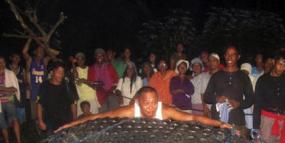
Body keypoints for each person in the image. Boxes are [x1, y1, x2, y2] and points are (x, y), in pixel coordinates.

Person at [57, 86, 232, 131]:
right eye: (146, 103)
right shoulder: (131, 110)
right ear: (139, 102)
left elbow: (194, 118)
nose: (150, 107)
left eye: (154, 102)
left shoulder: (164, 111)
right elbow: (99, 116)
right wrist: (71, 124)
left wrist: (218, 123)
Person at [203, 46, 254, 135]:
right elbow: (206, 96)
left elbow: (250, 98)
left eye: (233, 55)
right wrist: (217, 98)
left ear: (238, 57)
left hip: (237, 121)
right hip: (217, 122)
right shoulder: (216, 76)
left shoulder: (243, 77)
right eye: (227, 54)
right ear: (224, 56)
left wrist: (239, 104)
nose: (229, 57)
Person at [37, 62, 77, 134]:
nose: (61, 75)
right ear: (52, 72)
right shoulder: (45, 85)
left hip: (66, 121)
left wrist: (75, 120)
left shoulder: (67, 85)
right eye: (59, 72)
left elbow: (73, 103)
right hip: (50, 121)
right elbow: (39, 103)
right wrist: (40, 121)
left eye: (62, 72)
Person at [0, 56, 24, 143]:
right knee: (2, 124)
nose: (0, 64)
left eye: (2, 62)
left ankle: (19, 142)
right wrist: (7, 89)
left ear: (5, 63)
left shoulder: (10, 73)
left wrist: (2, 89)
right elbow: (10, 89)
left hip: (9, 101)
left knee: (15, 120)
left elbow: (14, 89)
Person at [88, 48, 119, 112]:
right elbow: (90, 83)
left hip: (111, 95)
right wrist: (97, 86)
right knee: (103, 118)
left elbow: (116, 79)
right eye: (97, 55)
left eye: (101, 55)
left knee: (115, 115)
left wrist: (111, 89)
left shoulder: (109, 66)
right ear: (95, 57)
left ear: (104, 56)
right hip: (99, 97)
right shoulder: (91, 69)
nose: (99, 57)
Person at [8, 53, 27, 124]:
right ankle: (12, 126)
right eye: (15, 57)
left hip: (21, 93)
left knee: (21, 110)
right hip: (10, 94)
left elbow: (26, 82)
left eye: (18, 58)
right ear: (11, 58)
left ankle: (21, 126)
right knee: (11, 111)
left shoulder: (22, 69)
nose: (17, 59)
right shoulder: (6, 69)